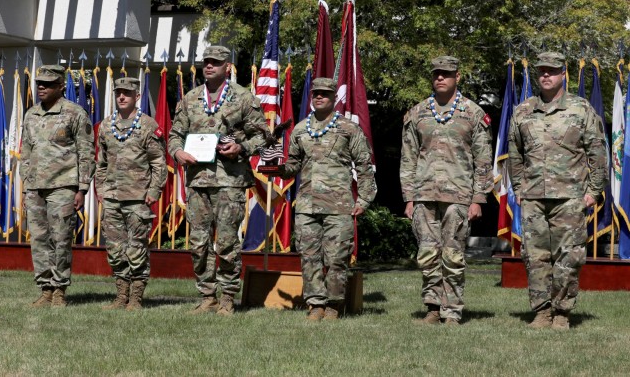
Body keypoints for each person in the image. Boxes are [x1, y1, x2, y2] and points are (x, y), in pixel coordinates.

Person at [508, 51, 607, 330]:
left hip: (570, 197)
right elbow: (514, 154)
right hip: (533, 197)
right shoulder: (523, 110)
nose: (546, 75)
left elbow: (597, 153)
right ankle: (541, 312)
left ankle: (562, 312)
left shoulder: (581, 108)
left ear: (563, 73)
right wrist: (518, 188)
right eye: (541, 71)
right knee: (535, 256)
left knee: (569, 256)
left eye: (552, 71)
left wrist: (593, 191)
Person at [168, 45, 267, 316]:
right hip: (198, 180)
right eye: (206, 62)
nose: (209, 66)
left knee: (226, 242)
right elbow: (174, 134)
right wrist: (178, 152)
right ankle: (207, 295)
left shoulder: (244, 98)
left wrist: (241, 148)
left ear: (227, 67)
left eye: (216, 62)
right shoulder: (190, 99)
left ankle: (227, 297)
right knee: (198, 242)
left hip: (230, 180)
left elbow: (264, 136)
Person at [272, 77, 377, 321]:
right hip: (307, 204)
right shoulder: (299, 129)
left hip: (339, 205)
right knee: (309, 256)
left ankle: (334, 304)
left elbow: (363, 165)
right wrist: (276, 168)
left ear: (334, 98)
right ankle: (315, 303)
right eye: (315, 94)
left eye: (324, 94)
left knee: (337, 258)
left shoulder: (348, 129)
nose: (319, 97)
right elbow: (294, 165)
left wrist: (364, 199)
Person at [400, 56, 493, 325]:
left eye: (446, 74)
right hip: (424, 196)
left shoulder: (473, 113)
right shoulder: (417, 113)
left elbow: (483, 160)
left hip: (459, 197)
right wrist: (409, 198)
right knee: (428, 255)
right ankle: (432, 307)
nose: (440, 78)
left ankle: (451, 311)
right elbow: (408, 159)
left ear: (457, 77)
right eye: (436, 74)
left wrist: (478, 199)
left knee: (452, 255)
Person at [21, 64, 96, 307]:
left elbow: (86, 152)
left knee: (61, 238)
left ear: (61, 86)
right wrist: (26, 183)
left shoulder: (75, 113)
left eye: (48, 84)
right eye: (39, 84)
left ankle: (59, 290)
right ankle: (45, 289)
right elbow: (26, 151)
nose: (41, 87)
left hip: (64, 186)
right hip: (35, 188)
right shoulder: (31, 114)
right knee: (39, 239)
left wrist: (82, 188)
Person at [96, 77, 167, 310]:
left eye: (127, 93)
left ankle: (135, 298)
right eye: (118, 93)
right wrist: (100, 189)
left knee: (136, 249)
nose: (122, 97)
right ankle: (120, 296)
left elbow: (158, 162)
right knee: (115, 250)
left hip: (138, 198)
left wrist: (154, 190)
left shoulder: (147, 125)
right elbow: (101, 163)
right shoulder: (106, 126)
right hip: (112, 197)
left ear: (137, 96)